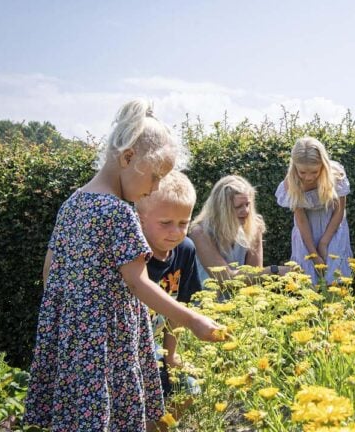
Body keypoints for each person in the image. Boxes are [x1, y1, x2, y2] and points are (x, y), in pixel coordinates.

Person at [24, 99, 225, 431]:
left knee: (82, 415)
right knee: (115, 414)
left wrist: (75, 319)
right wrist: (193, 320)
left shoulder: (73, 203)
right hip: (109, 339)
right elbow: (138, 282)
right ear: (128, 158)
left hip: (75, 336)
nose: (156, 187)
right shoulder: (120, 212)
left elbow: (50, 271)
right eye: (156, 177)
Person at [136, 170, 202, 400]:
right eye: (165, 223)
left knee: (189, 390)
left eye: (184, 223)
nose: (175, 232)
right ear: (140, 219)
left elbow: (180, 307)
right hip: (125, 351)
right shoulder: (132, 253)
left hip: (155, 349)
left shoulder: (186, 250)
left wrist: (171, 356)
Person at [275, 136, 352, 285]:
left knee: (335, 277)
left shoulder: (336, 175)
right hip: (306, 232)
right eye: (302, 172)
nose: (309, 177)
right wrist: (313, 253)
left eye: (314, 172)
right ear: (295, 166)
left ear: (323, 165)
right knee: (307, 278)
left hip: (333, 227)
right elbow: (301, 219)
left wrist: (324, 243)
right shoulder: (292, 183)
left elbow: (339, 212)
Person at [189, 175, 271, 284]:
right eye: (238, 207)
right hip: (208, 298)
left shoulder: (254, 228)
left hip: (241, 298)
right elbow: (224, 279)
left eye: (247, 204)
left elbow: (255, 275)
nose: (246, 211)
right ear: (222, 209)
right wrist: (274, 271)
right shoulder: (200, 232)